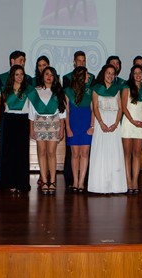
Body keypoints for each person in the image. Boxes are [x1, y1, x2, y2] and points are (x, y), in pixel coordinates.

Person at [0, 51, 32, 189]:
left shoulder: (28, 88)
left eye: (21, 74)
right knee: (8, 152)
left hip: (23, 121)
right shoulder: (5, 89)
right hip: (9, 120)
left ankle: (22, 183)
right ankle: (8, 182)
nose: (20, 77)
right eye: (17, 74)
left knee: (22, 152)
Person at [88, 64, 127, 194]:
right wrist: (101, 123)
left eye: (112, 73)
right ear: (103, 74)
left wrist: (116, 124)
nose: (110, 76)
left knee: (114, 151)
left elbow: (120, 108)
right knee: (101, 151)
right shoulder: (96, 89)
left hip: (114, 121)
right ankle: (99, 185)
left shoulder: (117, 89)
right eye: (108, 73)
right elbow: (95, 107)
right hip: (101, 122)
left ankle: (115, 186)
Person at [29, 66, 66, 195]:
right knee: (41, 152)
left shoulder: (58, 92)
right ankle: (44, 180)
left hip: (54, 122)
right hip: (39, 122)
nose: (49, 77)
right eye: (46, 74)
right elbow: (32, 112)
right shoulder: (36, 91)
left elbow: (62, 112)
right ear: (42, 76)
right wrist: (31, 128)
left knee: (51, 152)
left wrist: (62, 128)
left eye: (51, 74)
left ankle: (53, 181)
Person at [62, 50, 93, 189]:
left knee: (85, 153)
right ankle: (75, 181)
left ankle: (81, 182)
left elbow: (93, 110)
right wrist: (67, 128)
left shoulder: (91, 91)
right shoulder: (68, 91)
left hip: (86, 124)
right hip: (74, 124)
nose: (88, 77)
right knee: (75, 154)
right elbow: (66, 111)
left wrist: (92, 126)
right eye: (86, 75)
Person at [121, 64, 142, 194]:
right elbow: (123, 107)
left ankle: (135, 181)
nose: (138, 75)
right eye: (135, 73)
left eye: (140, 73)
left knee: (137, 154)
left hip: (141, 123)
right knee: (127, 154)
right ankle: (128, 181)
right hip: (128, 123)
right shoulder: (126, 87)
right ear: (132, 74)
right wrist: (132, 120)